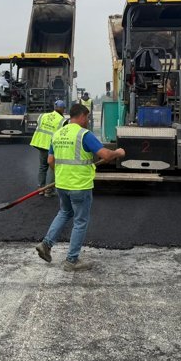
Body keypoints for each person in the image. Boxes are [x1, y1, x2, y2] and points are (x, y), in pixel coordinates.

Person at [34, 103, 125, 271]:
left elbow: (50, 162)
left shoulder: (57, 134)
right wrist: (118, 153)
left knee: (64, 212)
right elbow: (105, 155)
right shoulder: (84, 135)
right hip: (79, 186)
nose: (88, 121)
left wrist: (63, 172)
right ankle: (71, 260)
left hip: (62, 184)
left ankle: (46, 244)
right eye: (88, 117)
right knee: (80, 221)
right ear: (82, 116)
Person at [29, 100, 67, 197]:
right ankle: (48, 190)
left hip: (41, 144)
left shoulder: (43, 115)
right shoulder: (62, 120)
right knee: (52, 168)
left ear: (54, 107)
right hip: (52, 146)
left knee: (42, 167)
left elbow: (39, 125)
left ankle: (40, 189)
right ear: (63, 109)